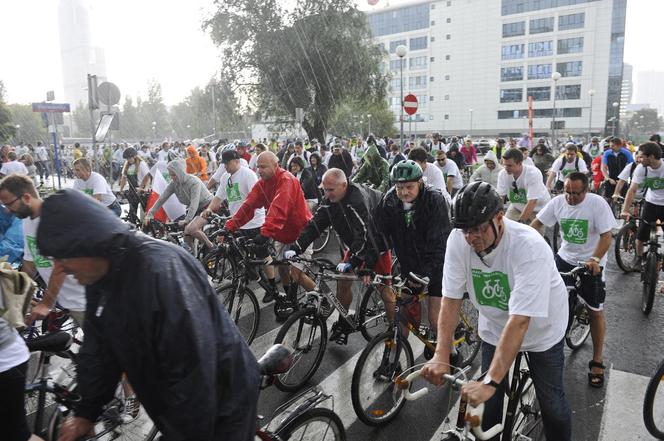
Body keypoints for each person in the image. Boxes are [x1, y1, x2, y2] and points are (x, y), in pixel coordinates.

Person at [37, 189, 260, 441]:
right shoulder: (99, 278)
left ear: (87, 243)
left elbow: (194, 373)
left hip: (222, 404)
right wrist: (85, 413)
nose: (61, 268)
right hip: (175, 408)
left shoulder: (160, 273)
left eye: (63, 257)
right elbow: (99, 350)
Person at [421, 181, 571, 441]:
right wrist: (442, 351)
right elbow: (451, 299)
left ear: (499, 218)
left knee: (553, 406)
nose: (471, 237)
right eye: (465, 229)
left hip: (541, 329)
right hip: (494, 325)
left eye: (478, 228)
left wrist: (491, 382)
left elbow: (521, 320)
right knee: (487, 410)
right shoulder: (459, 240)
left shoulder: (529, 246)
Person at [286, 169, 392, 344]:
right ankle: (344, 322)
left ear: (344, 185)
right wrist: (297, 247)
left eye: (331, 190)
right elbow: (315, 225)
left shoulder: (357, 199)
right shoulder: (329, 201)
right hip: (355, 244)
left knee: (385, 290)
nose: (326, 194)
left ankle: (393, 330)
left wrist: (354, 260)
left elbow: (364, 232)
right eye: (324, 190)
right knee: (343, 283)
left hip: (377, 245)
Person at [531, 172, 614, 388]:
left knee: (595, 311)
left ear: (586, 190)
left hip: (591, 263)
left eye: (575, 193)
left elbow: (607, 236)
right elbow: (537, 224)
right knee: (548, 304)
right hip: (564, 259)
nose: (570, 197)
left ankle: (597, 361)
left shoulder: (597, 204)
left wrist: (595, 258)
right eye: (566, 192)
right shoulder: (558, 202)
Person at [224, 152, 314, 309]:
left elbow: (279, 208)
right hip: (282, 234)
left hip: (301, 233)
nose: (259, 170)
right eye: (258, 167)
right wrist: (230, 226)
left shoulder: (287, 180)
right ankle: (290, 300)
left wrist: (265, 233)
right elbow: (248, 206)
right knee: (283, 269)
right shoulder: (262, 184)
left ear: (275, 165)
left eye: (263, 167)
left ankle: (322, 299)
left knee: (296, 274)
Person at [374, 160, 451, 337]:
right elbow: (378, 233)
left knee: (434, 320)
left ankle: (451, 353)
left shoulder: (435, 199)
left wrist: (427, 273)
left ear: (420, 182)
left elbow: (440, 242)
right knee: (402, 318)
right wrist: (365, 261)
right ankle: (394, 362)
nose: (403, 192)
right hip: (410, 267)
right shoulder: (390, 200)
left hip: (438, 266)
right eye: (399, 188)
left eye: (409, 187)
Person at [0, 174, 86, 327]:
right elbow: (29, 262)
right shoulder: (26, 220)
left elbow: (61, 266)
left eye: (9, 204)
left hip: (84, 301)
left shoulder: (52, 218)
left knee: (105, 349)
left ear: (26, 198)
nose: (7, 210)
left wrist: (46, 303)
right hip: (66, 298)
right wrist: (17, 293)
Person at [145, 159, 213, 251]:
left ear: (180, 172)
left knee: (191, 229)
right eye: (170, 175)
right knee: (186, 233)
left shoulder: (194, 182)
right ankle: (193, 255)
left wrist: (187, 219)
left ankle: (212, 248)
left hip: (207, 205)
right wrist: (150, 213)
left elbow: (194, 203)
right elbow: (162, 198)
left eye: (174, 175)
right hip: (194, 208)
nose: (172, 177)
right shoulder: (174, 184)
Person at [621, 142, 664, 267]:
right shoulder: (641, 168)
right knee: (641, 235)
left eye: (641, 156)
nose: (639, 159)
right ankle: (639, 258)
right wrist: (625, 210)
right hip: (650, 203)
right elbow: (632, 190)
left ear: (650, 157)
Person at [496, 149, 550, 226]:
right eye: (504, 164)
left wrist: (520, 223)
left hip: (538, 209)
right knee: (505, 228)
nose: (506, 168)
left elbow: (532, 202)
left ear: (520, 163)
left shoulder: (533, 173)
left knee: (533, 236)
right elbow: (501, 197)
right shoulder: (503, 174)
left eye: (509, 165)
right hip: (517, 206)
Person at [119, 147, 152, 223]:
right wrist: (121, 190)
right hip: (132, 191)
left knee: (145, 211)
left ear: (134, 156)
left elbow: (147, 177)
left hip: (141, 191)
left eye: (129, 158)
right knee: (132, 212)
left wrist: (142, 188)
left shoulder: (141, 164)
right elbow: (124, 178)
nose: (128, 160)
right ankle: (133, 225)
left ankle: (147, 228)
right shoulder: (127, 165)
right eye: (127, 158)